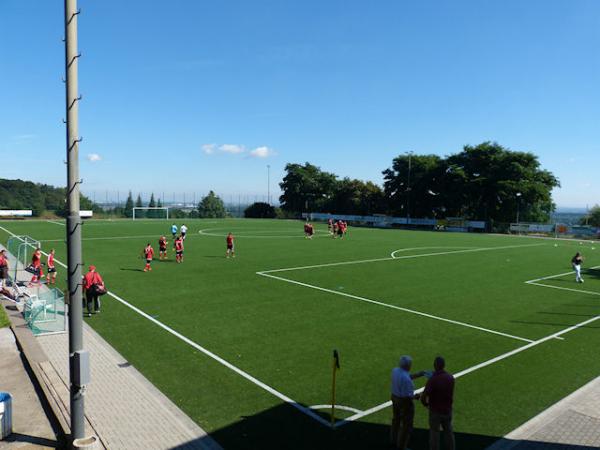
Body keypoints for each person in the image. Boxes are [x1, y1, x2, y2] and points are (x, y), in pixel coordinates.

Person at [391, 355, 426, 450]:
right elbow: (408, 396)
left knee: (396, 420)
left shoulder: (395, 371)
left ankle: (394, 439)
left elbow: (406, 376)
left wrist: (418, 374)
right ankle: (402, 445)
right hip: (404, 402)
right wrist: (418, 396)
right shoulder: (407, 380)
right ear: (408, 366)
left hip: (394, 398)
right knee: (406, 424)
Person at [421, 356, 455, 450]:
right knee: (448, 432)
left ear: (435, 366)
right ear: (444, 365)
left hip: (435, 411)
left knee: (434, 434)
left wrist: (426, 404)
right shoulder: (450, 378)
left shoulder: (432, 380)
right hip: (447, 410)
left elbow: (424, 396)